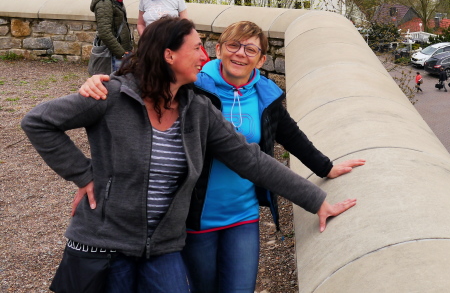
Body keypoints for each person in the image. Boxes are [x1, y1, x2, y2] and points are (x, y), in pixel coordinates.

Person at [22, 17, 355, 293]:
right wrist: (83, 174)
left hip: (161, 246)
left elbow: (251, 159)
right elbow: (38, 122)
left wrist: (317, 200)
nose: (203, 55)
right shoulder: (111, 95)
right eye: (196, 48)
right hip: (107, 241)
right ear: (169, 55)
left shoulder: (198, 110)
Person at [91, 0, 133, 72]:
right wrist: (121, 53)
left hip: (120, 52)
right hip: (112, 56)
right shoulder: (104, 1)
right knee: (112, 82)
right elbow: (104, 32)